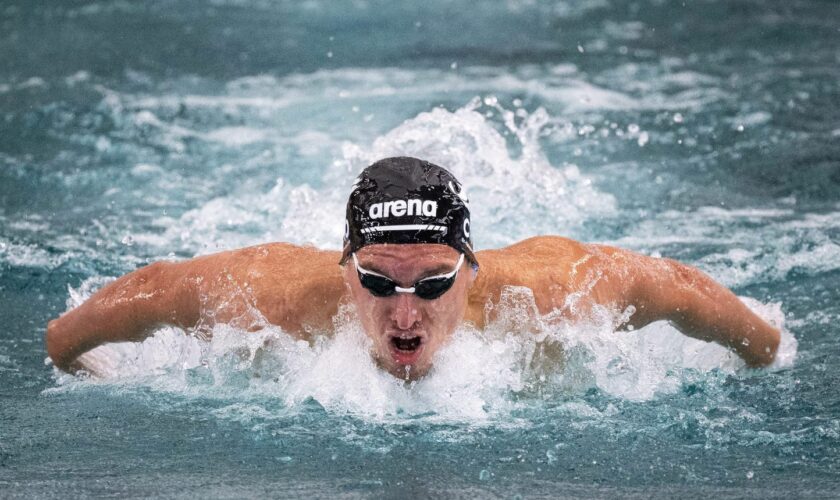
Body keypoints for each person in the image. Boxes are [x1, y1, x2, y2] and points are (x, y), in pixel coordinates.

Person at [45, 157, 781, 380]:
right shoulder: (262, 297)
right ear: (343, 270)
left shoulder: (555, 292)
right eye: (376, 283)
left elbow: (677, 287)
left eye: (431, 284)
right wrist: (77, 365)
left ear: (469, 270)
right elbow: (139, 295)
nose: (405, 316)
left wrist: (765, 356)